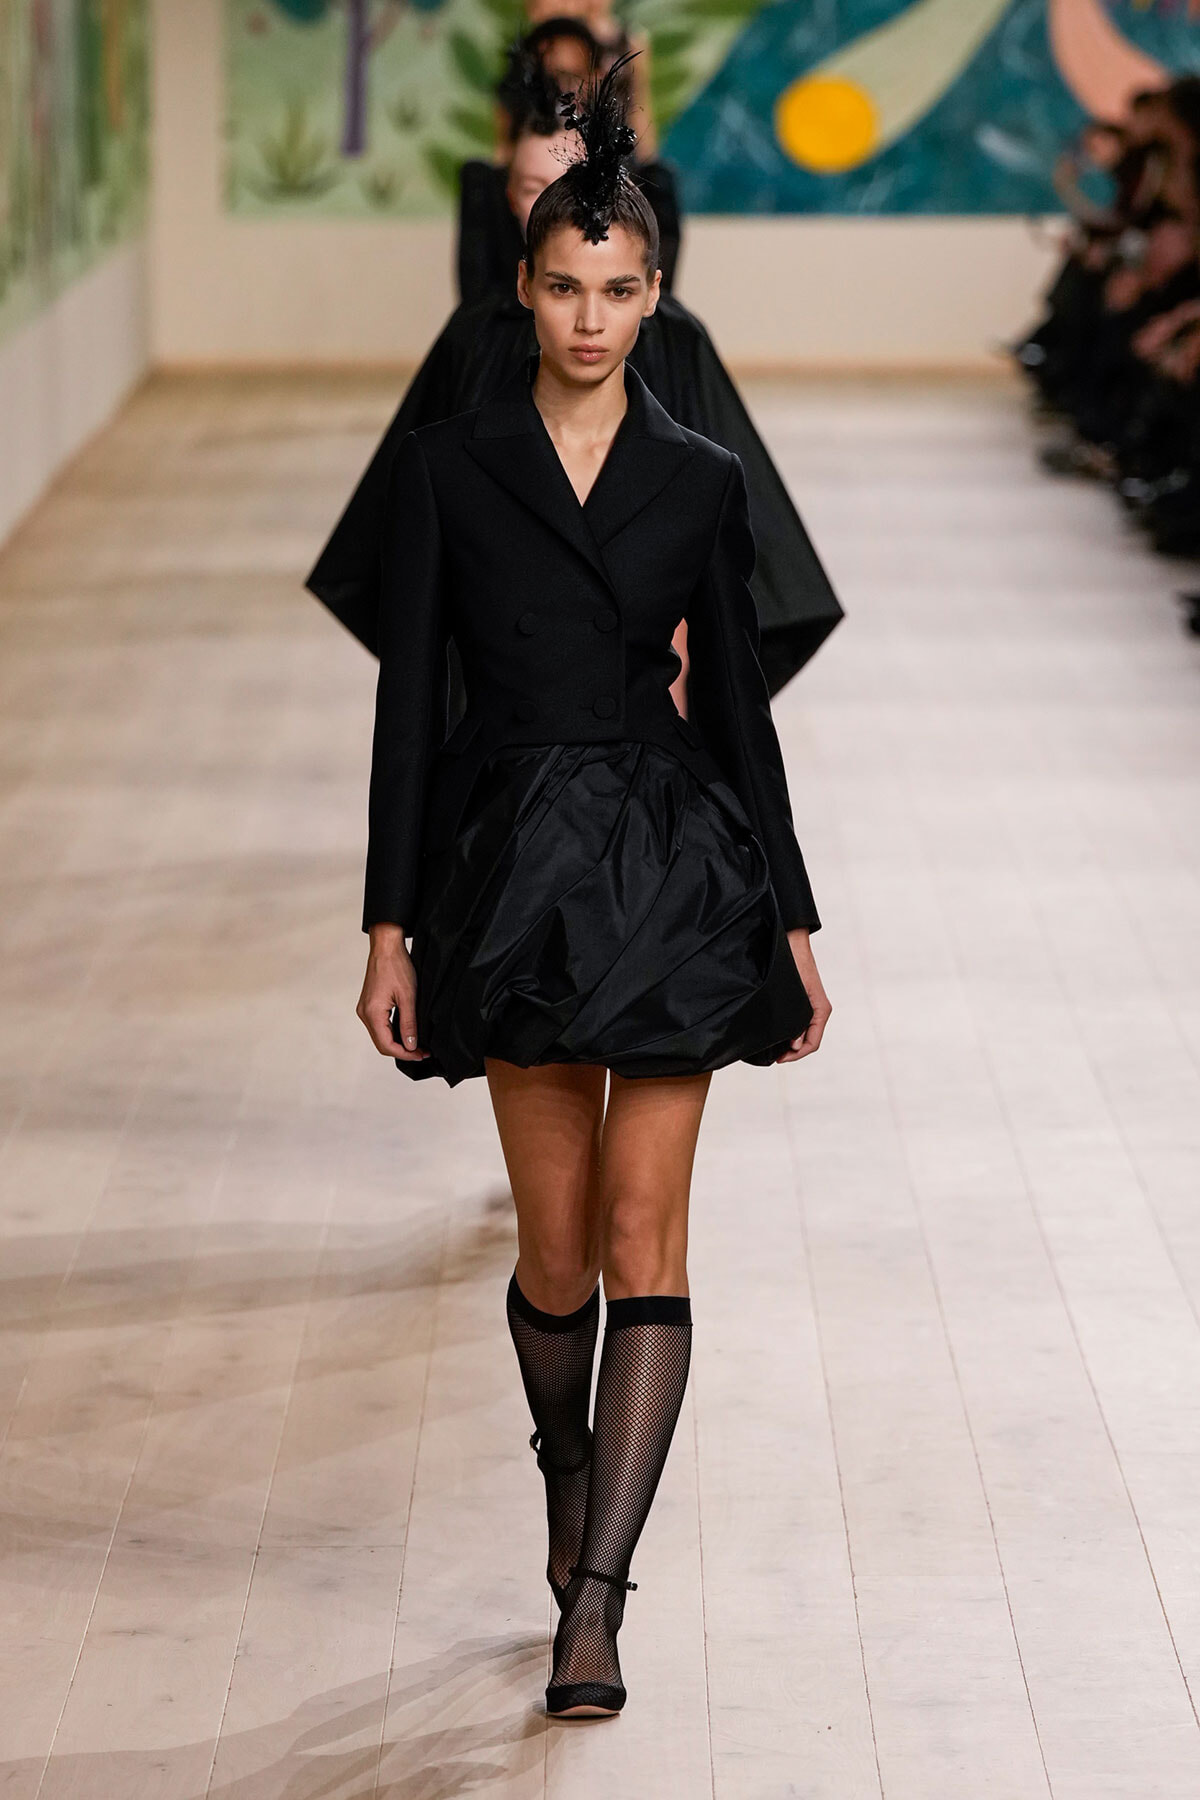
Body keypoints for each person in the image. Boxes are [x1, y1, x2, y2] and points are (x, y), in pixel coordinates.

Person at [354, 65, 831, 1720]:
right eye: (565, 286)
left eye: (620, 291)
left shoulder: (700, 478)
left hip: (674, 868)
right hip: (508, 875)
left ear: (653, 295)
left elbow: (743, 714)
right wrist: (387, 926)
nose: (590, 315)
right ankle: (565, 1479)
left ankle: (599, 1600)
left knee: (646, 1235)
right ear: (525, 286)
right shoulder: (451, 470)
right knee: (553, 1260)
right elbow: (409, 707)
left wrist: (792, 919)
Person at [308, 80, 841, 696]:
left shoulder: (674, 342)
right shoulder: (474, 336)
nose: (590, 322)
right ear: (509, 194)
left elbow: (708, 530)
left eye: (618, 293)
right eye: (531, 188)